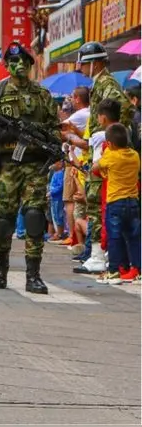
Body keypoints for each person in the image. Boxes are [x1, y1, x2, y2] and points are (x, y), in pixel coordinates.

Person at [0, 42, 60, 295]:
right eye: (13, 62)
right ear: (7, 65)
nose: (18, 66)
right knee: (4, 219)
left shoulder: (42, 95)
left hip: (34, 164)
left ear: (30, 65)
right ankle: (1, 268)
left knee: (34, 217)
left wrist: (52, 142)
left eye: (23, 62)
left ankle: (33, 274)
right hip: (8, 165)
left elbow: (55, 126)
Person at [76, 43, 133, 275]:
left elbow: (125, 108)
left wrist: (110, 130)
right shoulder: (98, 83)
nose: (82, 67)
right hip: (96, 150)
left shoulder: (106, 83)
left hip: (104, 151)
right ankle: (98, 253)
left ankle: (100, 254)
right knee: (94, 202)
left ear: (96, 63)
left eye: (85, 63)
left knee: (97, 203)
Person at [94, 123, 140, 283]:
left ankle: (113, 270)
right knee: (134, 237)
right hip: (133, 202)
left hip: (115, 203)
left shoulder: (110, 156)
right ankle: (138, 270)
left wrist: (103, 154)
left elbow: (95, 166)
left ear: (111, 144)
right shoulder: (135, 155)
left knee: (115, 237)